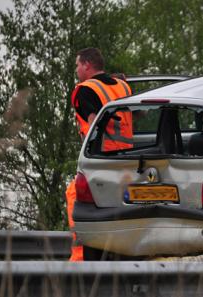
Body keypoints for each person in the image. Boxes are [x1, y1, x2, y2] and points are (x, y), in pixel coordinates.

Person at [66, 48, 132, 261]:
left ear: (87, 65)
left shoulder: (84, 90)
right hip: (128, 158)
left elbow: (95, 122)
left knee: (74, 196)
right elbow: (135, 114)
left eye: (77, 65)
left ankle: (80, 259)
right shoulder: (122, 85)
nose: (76, 70)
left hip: (101, 159)